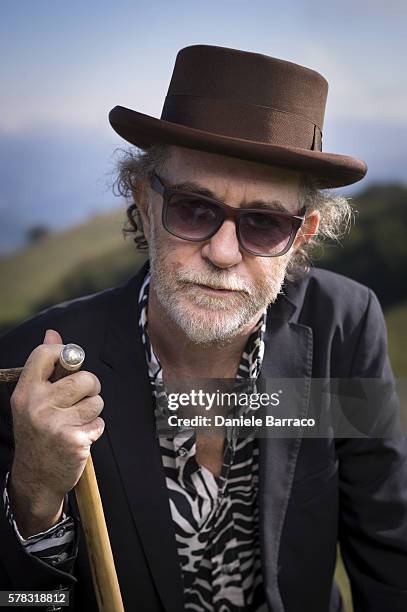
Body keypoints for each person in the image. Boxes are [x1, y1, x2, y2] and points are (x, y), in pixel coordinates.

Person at [0, 44, 406, 612]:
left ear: (303, 236)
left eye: (264, 224)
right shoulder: (36, 363)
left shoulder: (343, 327)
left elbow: (389, 551)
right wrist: (34, 497)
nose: (222, 252)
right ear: (143, 203)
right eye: (194, 209)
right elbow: (20, 601)